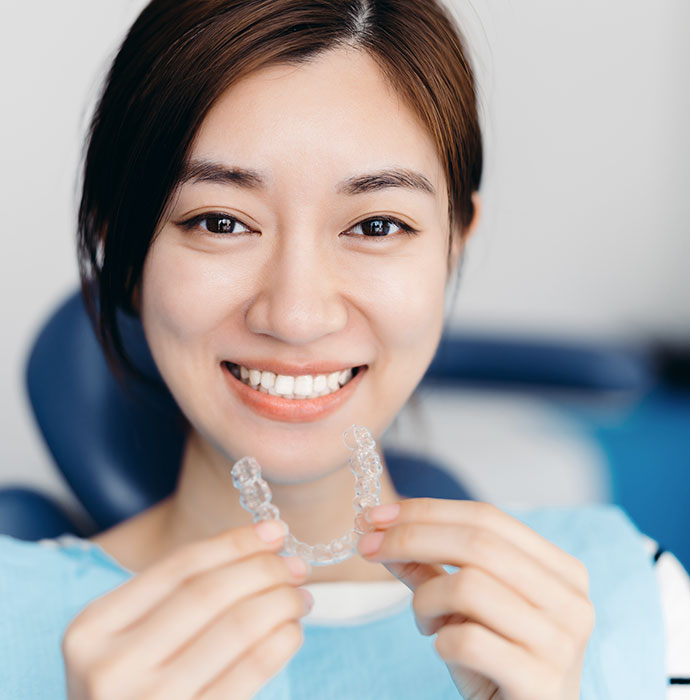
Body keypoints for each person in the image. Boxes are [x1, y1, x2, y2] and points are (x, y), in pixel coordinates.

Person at [1, 1, 688, 698]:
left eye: (378, 224)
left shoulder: (633, 595)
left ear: (455, 244)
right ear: (122, 247)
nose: (297, 315)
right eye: (220, 221)